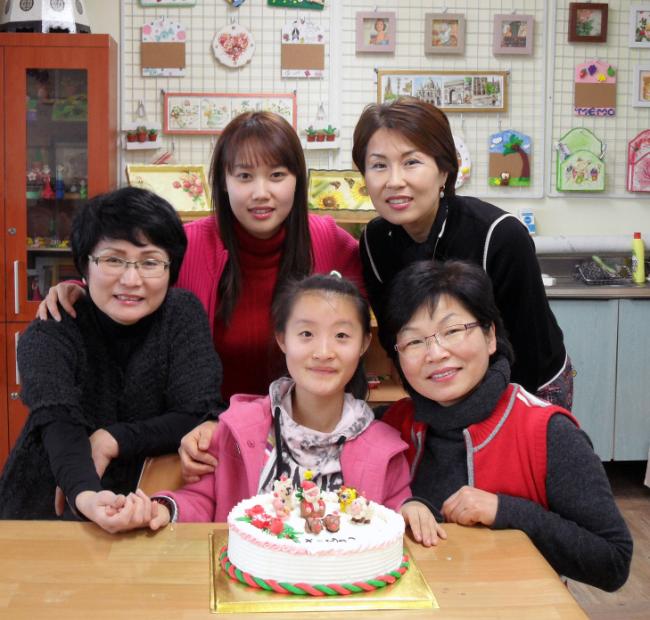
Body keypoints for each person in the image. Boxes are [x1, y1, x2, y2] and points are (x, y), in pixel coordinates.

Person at [37, 111, 363, 478]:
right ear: (222, 181)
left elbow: (387, 296)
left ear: (297, 180)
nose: (261, 192)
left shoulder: (327, 240)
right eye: (244, 176)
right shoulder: (190, 243)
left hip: (306, 437)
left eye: (277, 175)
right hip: (205, 437)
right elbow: (135, 280)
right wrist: (80, 287)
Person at [101, 273, 434, 533]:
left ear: (363, 344)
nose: (323, 352)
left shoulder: (384, 446)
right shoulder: (238, 427)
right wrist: (162, 509)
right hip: (248, 585)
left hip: (343, 589)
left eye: (342, 336)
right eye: (306, 334)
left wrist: (411, 509)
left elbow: (393, 509)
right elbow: (203, 499)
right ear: (282, 339)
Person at [381, 260, 632, 591]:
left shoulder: (546, 431)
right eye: (414, 341)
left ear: (490, 336)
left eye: (452, 331)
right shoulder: (391, 426)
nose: (436, 353)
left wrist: (506, 511)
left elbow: (613, 561)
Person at [0, 188, 224, 532]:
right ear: (84, 266)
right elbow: (58, 419)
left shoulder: (182, 314)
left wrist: (113, 439)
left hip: (155, 501)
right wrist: (87, 495)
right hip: (50, 503)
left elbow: (197, 412)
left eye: (150, 262)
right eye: (113, 260)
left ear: (171, 269)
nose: (131, 280)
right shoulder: (54, 326)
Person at [352, 97, 573, 410]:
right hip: (444, 385)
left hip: (528, 383)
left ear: (444, 170)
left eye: (411, 162)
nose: (394, 181)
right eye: (378, 165)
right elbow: (395, 336)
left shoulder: (499, 236)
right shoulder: (375, 241)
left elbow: (528, 348)